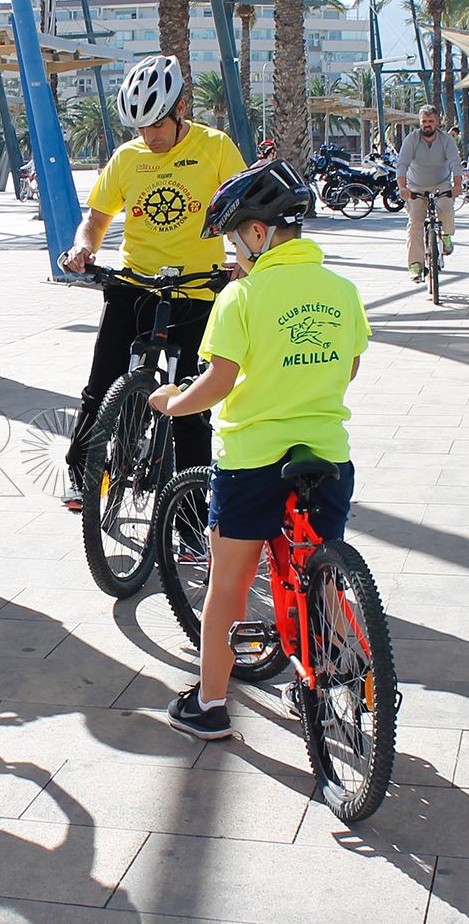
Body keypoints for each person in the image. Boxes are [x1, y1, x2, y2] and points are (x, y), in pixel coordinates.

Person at [146, 159, 371, 738]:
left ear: (256, 232)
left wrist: (173, 404)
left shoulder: (242, 296)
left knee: (229, 584)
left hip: (251, 463)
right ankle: (342, 659)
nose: (230, 253)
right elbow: (348, 367)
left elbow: (218, 381)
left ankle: (211, 703)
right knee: (317, 566)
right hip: (326, 455)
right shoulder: (342, 290)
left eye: (231, 238)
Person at [59, 54, 248, 509]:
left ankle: (188, 517)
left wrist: (245, 260)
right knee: (101, 383)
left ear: (180, 107)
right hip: (134, 286)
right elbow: (97, 218)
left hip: (197, 291)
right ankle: (84, 474)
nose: (150, 136)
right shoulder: (127, 158)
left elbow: (244, 212)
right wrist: (84, 246)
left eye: (157, 125)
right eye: (141, 128)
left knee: (191, 404)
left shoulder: (216, 147)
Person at [396, 105, 462, 282]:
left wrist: (457, 184)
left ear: (437, 122)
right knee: (415, 223)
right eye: (424, 121)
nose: (427, 125)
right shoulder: (412, 140)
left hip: (441, 185)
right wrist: (403, 187)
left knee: (446, 209)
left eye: (430, 121)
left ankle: (446, 235)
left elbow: (455, 162)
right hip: (416, 188)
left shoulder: (447, 140)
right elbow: (402, 164)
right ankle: (416, 266)